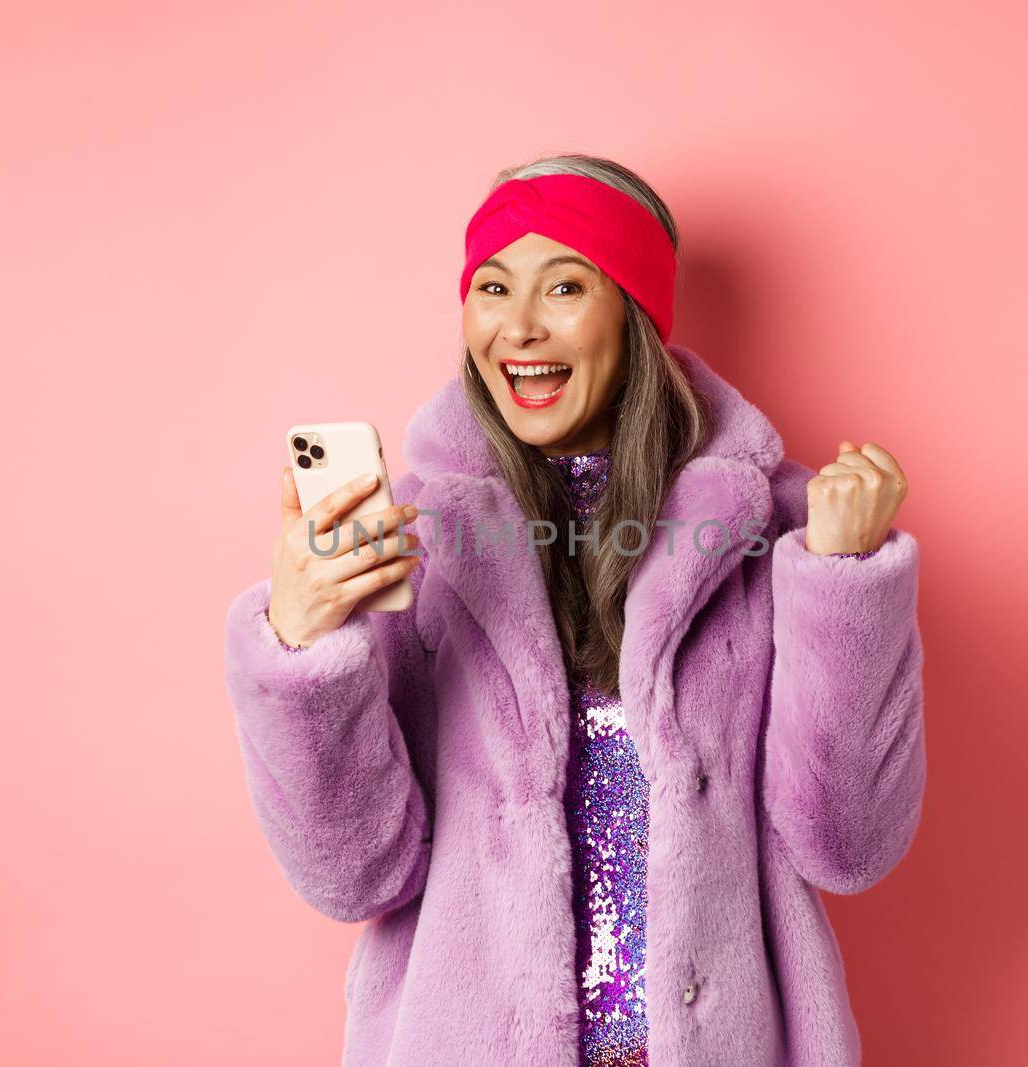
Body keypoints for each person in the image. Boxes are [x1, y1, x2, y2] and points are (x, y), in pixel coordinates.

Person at [223, 153, 925, 1066]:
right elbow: (357, 873)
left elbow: (847, 846)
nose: (517, 326)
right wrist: (307, 648)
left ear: (634, 313)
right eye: (491, 286)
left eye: (564, 285)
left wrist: (845, 581)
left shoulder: (778, 530)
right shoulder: (413, 535)